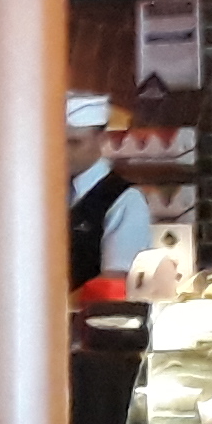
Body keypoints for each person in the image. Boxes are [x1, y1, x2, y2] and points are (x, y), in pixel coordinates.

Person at [65, 94, 151, 290]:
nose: (63, 151)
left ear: (102, 139)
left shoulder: (125, 200)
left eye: (74, 142)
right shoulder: (45, 195)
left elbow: (114, 281)